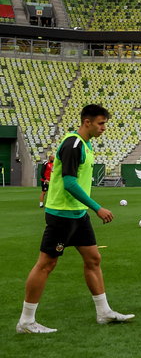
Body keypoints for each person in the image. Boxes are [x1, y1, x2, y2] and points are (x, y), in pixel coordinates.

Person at [16, 105, 134, 333]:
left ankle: (104, 312)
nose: (104, 128)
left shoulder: (86, 146)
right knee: (46, 264)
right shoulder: (73, 144)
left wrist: (87, 209)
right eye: (101, 123)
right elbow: (69, 183)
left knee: (93, 259)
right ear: (87, 122)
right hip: (62, 214)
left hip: (78, 214)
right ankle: (26, 321)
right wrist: (97, 208)